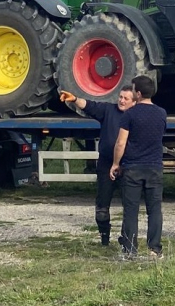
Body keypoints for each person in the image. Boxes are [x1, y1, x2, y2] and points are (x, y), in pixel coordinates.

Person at [57, 85, 136, 246]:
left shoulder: (137, 115)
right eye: (120, 97)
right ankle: (104, 239)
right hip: (106, 163)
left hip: (129, 164)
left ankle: (126, 239)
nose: (121, 100)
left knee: (129, 206)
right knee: (101, 206)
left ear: (134, 102)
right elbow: (90, 106)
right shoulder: (108, 110)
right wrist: (74, 99)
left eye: (125, 98)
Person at [110, 75, 168, 258]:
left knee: (131, 210)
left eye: (134, 89)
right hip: (154, 166)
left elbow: (121, 142)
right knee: (154, 210)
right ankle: (154, 248)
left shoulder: (130, 114)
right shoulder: (161, 113)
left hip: (133, 167)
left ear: (139, 93)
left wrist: (115, 164)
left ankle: (130, 249)